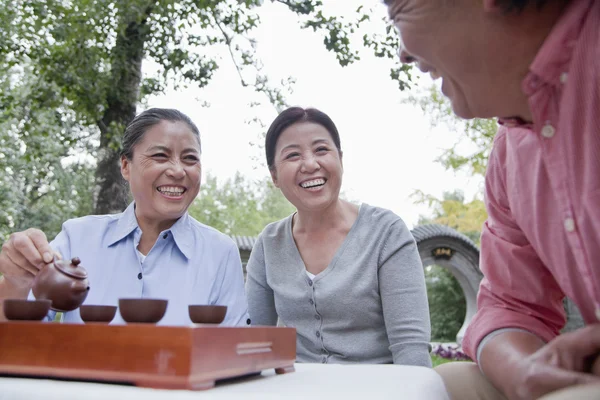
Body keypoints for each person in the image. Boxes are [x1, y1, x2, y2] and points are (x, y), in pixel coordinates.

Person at [384, 0, 600, 398]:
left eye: (399, 9)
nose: (402, 53)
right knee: (441, 387)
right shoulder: (509, 157)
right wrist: (522, 371)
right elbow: (513, 304)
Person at [0, 108, 250, 326]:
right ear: (125, 166)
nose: (177, 170)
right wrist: (15, 283)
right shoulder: (77, 237)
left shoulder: (220, 252)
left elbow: (232, 347)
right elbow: (19, 334)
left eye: (190, 159)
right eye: (160, 156)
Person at [245, 106, 431, 366]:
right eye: (293, 155)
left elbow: (410, 348)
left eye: (321, 150)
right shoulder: (269, 244)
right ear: (274, 175)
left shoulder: (386, 233)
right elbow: (254, 344)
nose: (310, 164)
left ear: (340, 159)